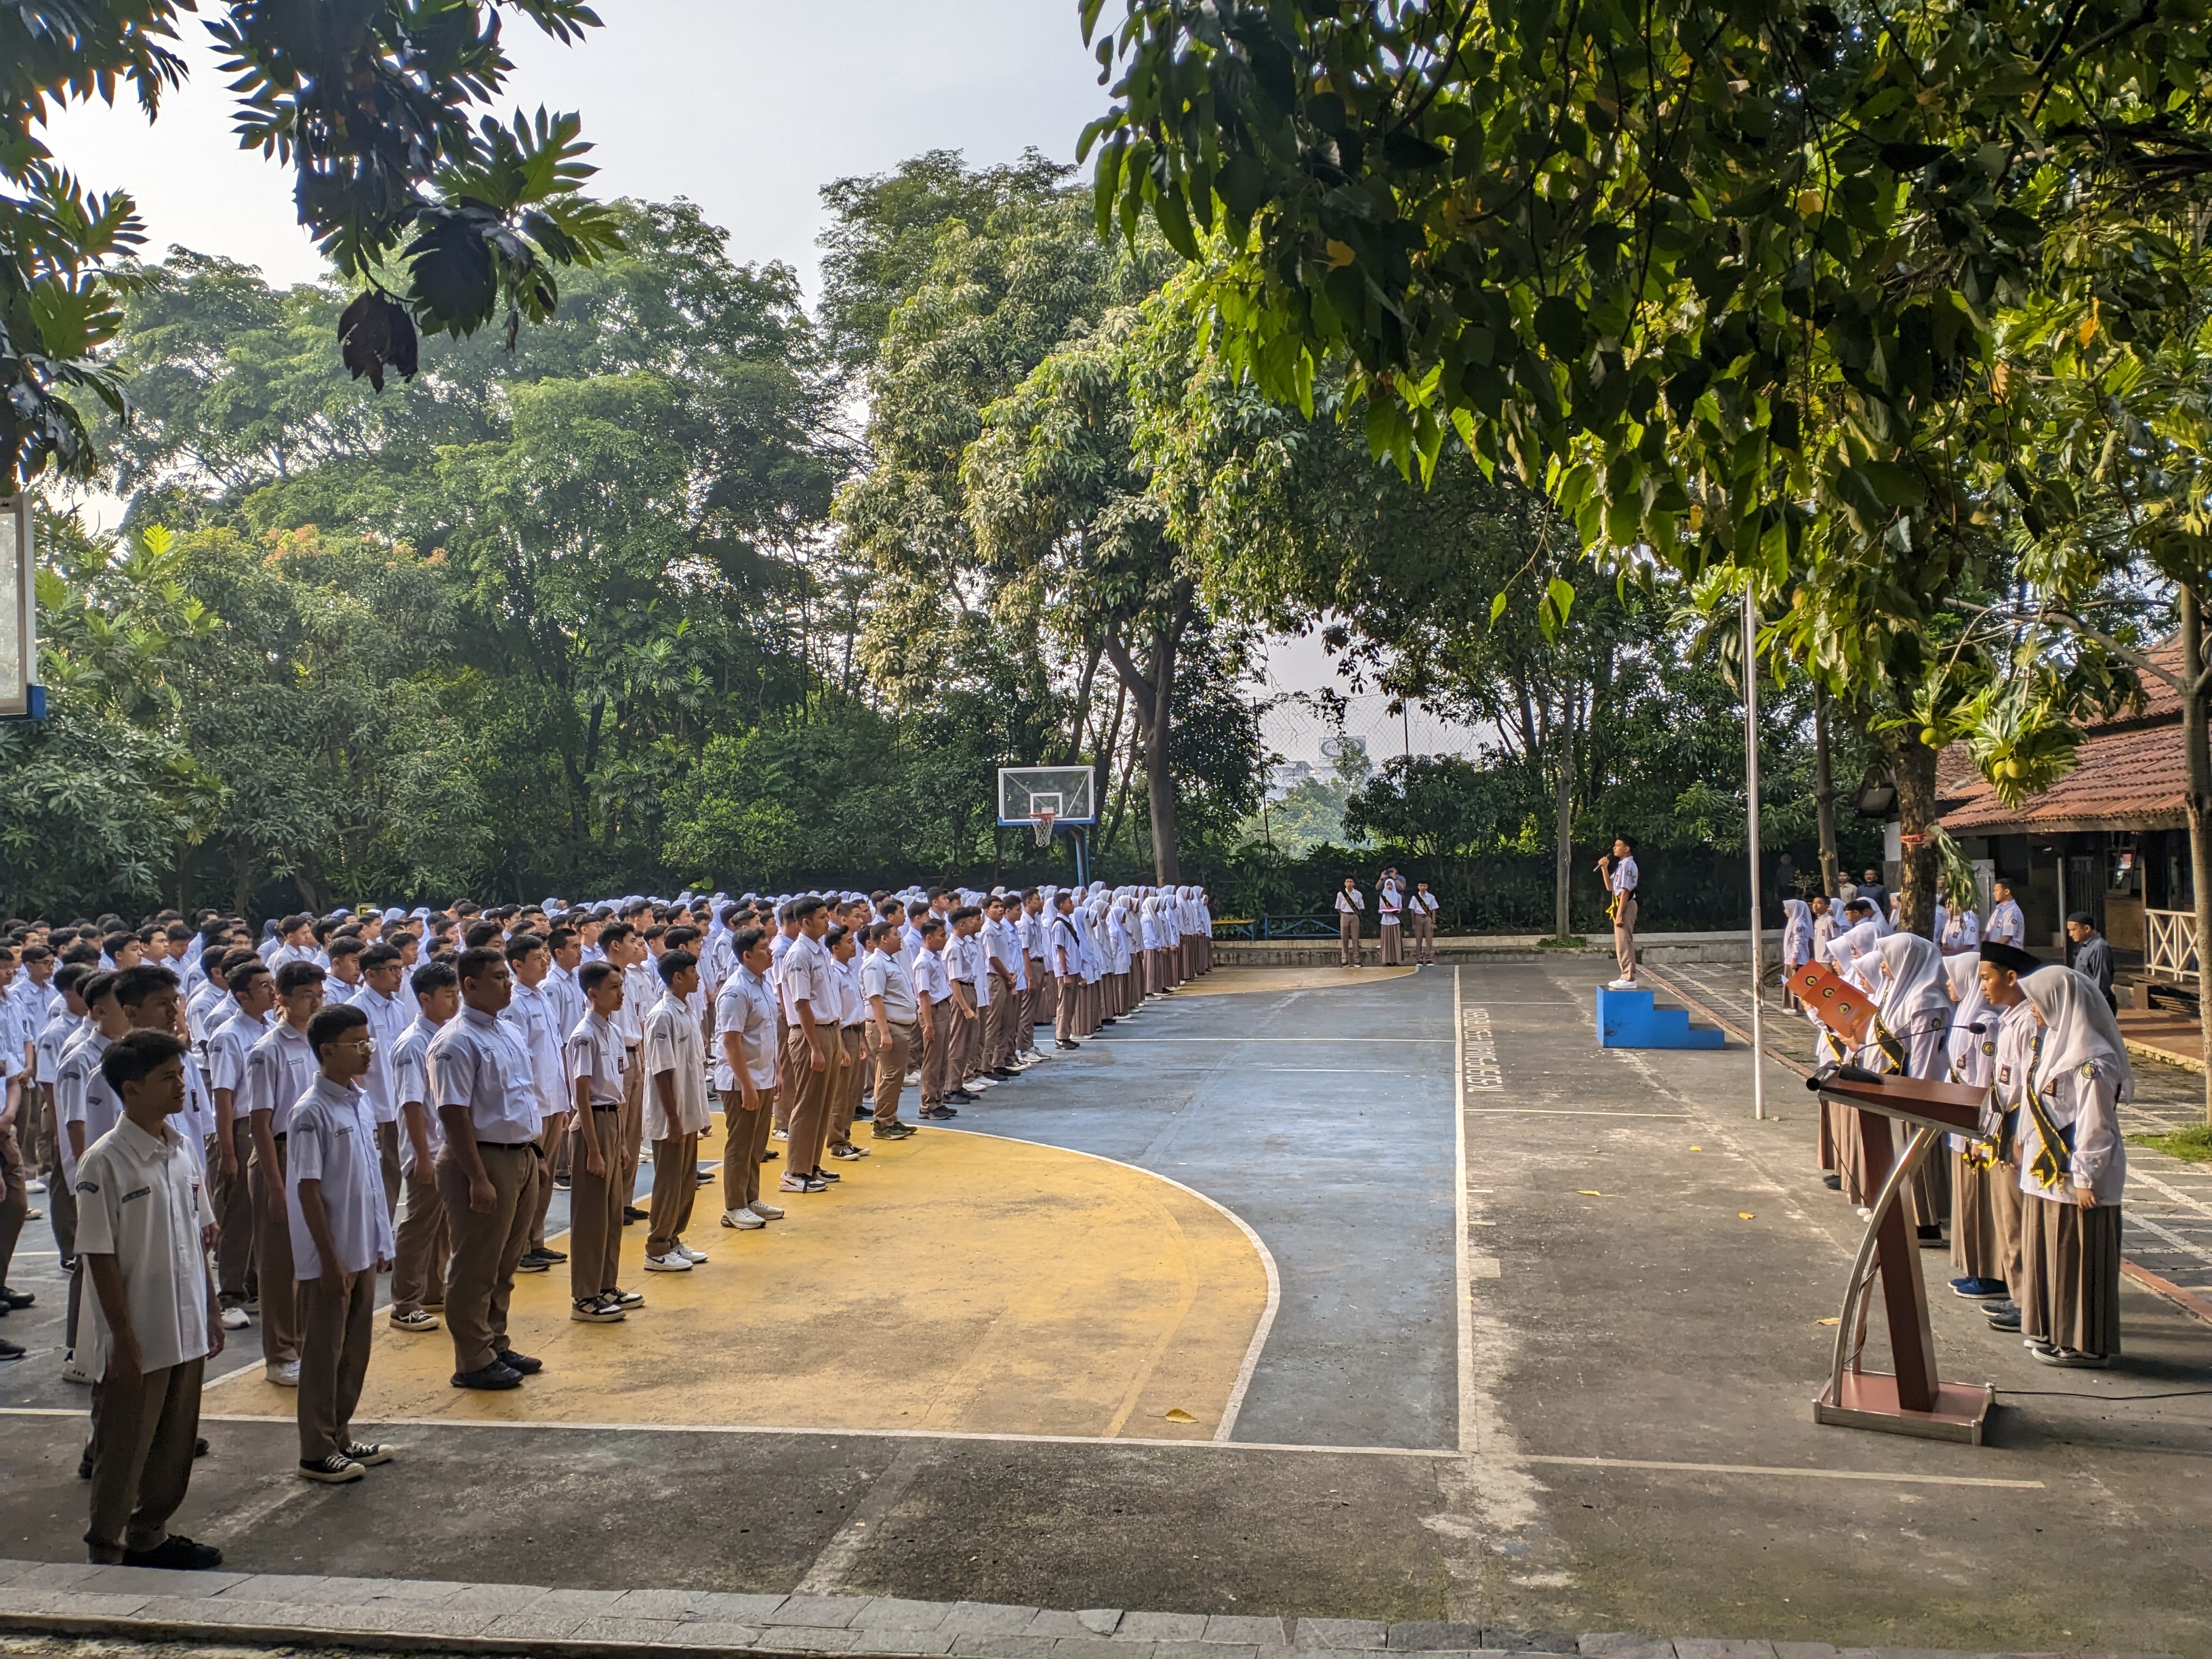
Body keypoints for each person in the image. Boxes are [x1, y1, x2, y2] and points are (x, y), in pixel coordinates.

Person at [77, 1028, 223, 1568]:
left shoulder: (179, 1148)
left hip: (184, 1322)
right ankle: (107, 1545)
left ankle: (150, 1532)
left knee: (175, 1442)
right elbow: (100, 1256)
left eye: (181, 1074)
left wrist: (209, 1309)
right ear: (132, 1088)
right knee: (125, 1444)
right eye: (168, 1077)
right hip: (140, 1327)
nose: (182, 1086)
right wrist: (122, 1337)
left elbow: (197, 1236)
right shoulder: (106, 1162)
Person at [286, 1003, 395, 1483]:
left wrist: (379, 1241)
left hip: (360, 1247)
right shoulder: (311, 1112)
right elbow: (308, 1189)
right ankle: (316, 1448)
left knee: (354, 1350)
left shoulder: (358, 1099)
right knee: (323, 1351)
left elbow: (368, 1180)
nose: (368, 1052)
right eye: (358, 1044)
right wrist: (329, 1260)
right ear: (328, 1051)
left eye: (369, 1042)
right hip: (332, 1255)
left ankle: (341, 1434)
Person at [426, 947, 546, 1390]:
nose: (507, 983)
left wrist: (535, 1153)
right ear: (470, 985)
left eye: (506, 976)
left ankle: (495, 1340)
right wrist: (477, 1177)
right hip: (480, 1157)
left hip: (517, 1153)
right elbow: (453, 1115)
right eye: (497, 977)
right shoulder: (456, 1041)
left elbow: (519, 1095)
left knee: (505, 1259)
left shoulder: (508, 1031)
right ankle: (472, 1357)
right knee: (475, 1262)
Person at [2015, 966, 2130, 1366]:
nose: (2031, 1008)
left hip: (2080, 1179)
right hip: (2050, 1173)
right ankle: (2055, 1330)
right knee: (2053, 1254)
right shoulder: (2055, 1049)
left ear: (2059, 1003)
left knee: (2078, 1257)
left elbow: (2096, 1127)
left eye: (2037, 1000)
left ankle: (2084, 1343)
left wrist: (2086, 1177)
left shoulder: (2092, 1062)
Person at [243, 961, 324, 1387]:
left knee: (314, 1253)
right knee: (278, 1261)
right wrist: (275, 1186)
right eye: (306, 995)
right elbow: (260, 1121)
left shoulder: (321, 1043)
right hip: (280, 1152)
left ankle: (307, 1339)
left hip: (317, 1152)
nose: (314, 1002)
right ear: (282, 999)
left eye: (319, 994)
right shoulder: (267, 1050)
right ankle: (279, 1353)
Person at [1973, 940, 2046, 1334]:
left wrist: (2015, 1137)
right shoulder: (2010, 1020)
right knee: (2007, 1219)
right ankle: (2019, 1296)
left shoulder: (2028, 1024)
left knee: (2018, 1221)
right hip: (2002, 1128)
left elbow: (2024, 1087)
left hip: (2016, 1132)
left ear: (2012, 978)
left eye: (1987, 978)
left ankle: (2027, 1302)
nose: (1982, 986)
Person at [387, 962, 456, 1334]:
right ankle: (404, 1303)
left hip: (444, 1145)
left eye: (457, 993)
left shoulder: (446, 1035)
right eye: (448, 995)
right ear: (425, 998)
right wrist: (422, 1155)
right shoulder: (413, 1044)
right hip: (426, 1147)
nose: (455, 1001)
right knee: (418, 1225)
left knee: (442, 1224)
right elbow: (411, 1103)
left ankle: (432, 1289)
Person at [566, 961, 631, 1319]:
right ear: (593, 993)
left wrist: (620, 1141)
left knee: (610, 1213)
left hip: (612, 1122)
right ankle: (584, 1295)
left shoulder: (612, 1030)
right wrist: (593, 1149)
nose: (621, 994)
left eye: (621, 987)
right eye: (614, 988)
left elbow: (615, 1091)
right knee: (590, 1217)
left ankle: (606, 1284)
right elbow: (582, 1095)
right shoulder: (584, 1035)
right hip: (591, 1126)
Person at [641, 947, 710, 1273]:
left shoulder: (685, 1010)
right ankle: (656, 1246)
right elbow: (662, 1071)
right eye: (693, 972)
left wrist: (699, 1115)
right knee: (669, 1182)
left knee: (685, 1181)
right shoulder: (662, 1015)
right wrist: (673, 1118)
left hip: (688, 1111)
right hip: (673, 1115)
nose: (698, 977)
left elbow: (692, 1068)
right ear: (678, 977)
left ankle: (674, 1239)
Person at [715, 925, 785, 1229]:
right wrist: (746, 1085)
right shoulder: (736, 990)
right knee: (740, 1145)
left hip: (764, 1075)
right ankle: (733, 1206)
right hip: (741, 1080)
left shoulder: (762, 984)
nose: (770, 952)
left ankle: (750, 1197)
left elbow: (768, 1033)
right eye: (763, 948)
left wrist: (777, 1071)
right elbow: (731, 1041)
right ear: (746, 955)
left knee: (757, 1144)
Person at [861, 923, 919, 1139]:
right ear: (884, 939)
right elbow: (876, 999)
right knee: (891, 1074)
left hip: (898, 1026)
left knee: (892, 1075)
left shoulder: (889, 962)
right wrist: (884, 1032)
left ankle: (890, 1118)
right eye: (896, 934)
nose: (900, 938)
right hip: (888, 1027)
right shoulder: (875, 964)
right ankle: (883, 1123)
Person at [1598, 836, 1639, 989]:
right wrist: (1604, 868)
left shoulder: (1628, 865)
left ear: (1627, 848)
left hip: (1625, 905)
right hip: (1620, 904)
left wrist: (1620, 914)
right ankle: (1625, 975)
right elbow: (1611, 887)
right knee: (1620, 942)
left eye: (1617, 845)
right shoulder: (1622, 865)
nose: (1614, 848)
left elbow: (1625, 892)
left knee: (1624, 941)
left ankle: (1629, 977)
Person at [2065, 912, 2116, 1011]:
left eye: (2074, 930)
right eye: (2069, 930)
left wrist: (2094, 1007)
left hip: (2096, 1005)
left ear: (2087, 928)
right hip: (2084, 1002)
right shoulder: (2084, 947)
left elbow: (2101, 982)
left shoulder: (2099, 948)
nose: (2071, 934)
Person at [1986, 878, 2027, 949]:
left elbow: (2007, 937)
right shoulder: (1998, 910)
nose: (1994, 894)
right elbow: (1987, 933)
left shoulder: (2012, 911)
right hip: (1996, 952)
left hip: (2009, 954)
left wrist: (1992, 950)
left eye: (1997, 891)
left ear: (2007, 891)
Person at [1334, 877, 1364, 968]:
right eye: (1347, 882)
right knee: (1344, 938)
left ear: (1354, 883)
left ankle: (1357, 961)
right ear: (1345, 883)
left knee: (1355, 939)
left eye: (1351, 882)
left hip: (1355, 916)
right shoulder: (1340, 894)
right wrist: (1343, 915)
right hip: (1344, 915)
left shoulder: (1358, 894)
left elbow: (1361, 907)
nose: (1349, 883)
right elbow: (1338, 907)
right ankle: (1345, 961)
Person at [1409, 881, 1440, 965]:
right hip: (1418, 917)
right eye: (1421, 885)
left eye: (1424, 886)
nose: (1423, 887)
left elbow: (1433, 910)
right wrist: (1413, 923)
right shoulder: (1414, 898)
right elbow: (1412, 911)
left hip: (1428, 917)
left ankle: (1429, 958)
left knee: (1429, 939)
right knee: (1418, 939)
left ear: (1427, 887)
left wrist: (1433, 922)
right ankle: (1419, 958)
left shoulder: (1431, 897)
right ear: (1418, 887)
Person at [1377, 869, 1404, 965]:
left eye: (1391, 885)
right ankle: (1387, 960)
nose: (1389, 886)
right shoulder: (1382, 896)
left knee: (1395, 941)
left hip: (1395, 920)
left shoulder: (1398, 896)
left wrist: (1396, 910)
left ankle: (1396, 960)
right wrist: (1384, 910)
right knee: (1386, 942)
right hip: (1385, 921)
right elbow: (1380, 909)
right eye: (1388, 885)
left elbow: (1400, 908)